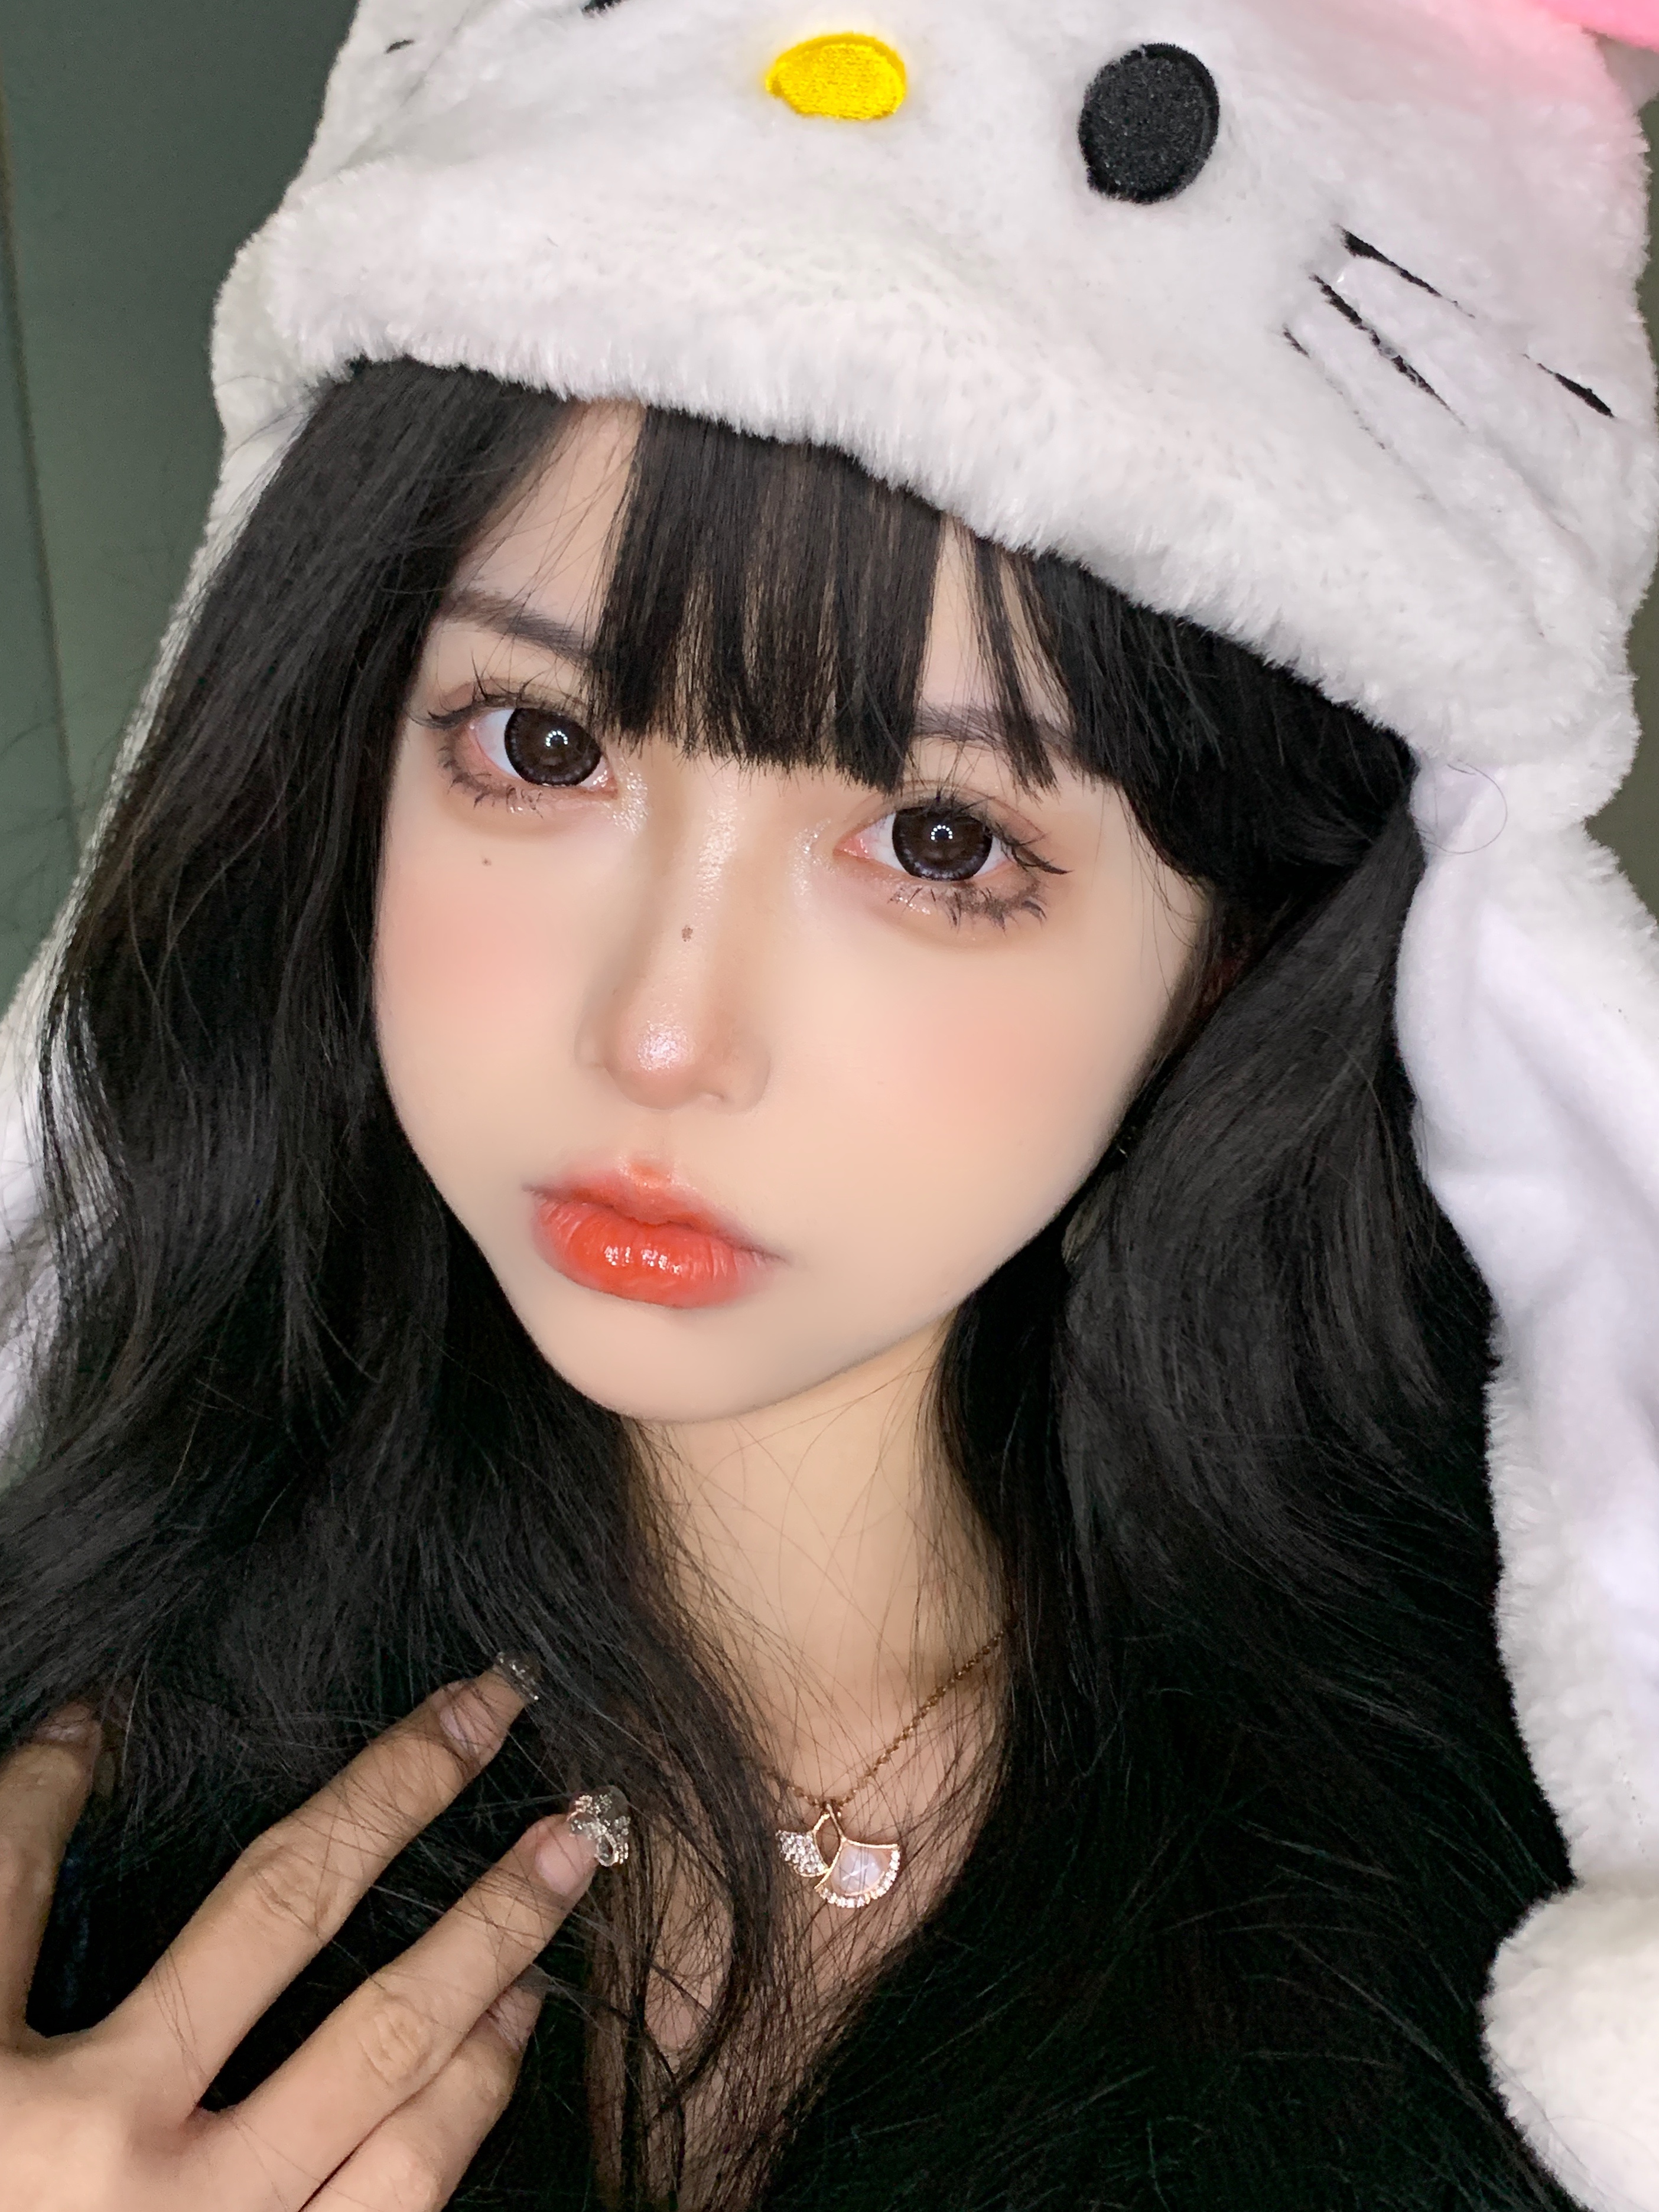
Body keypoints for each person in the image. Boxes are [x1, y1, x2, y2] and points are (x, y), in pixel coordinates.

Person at [2, 4, 1659, 2208]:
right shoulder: (64, 1736)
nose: (662, 1034)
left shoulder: (1526, 1911)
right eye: (541, 747)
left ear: (1230, 958)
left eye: (940, 842)